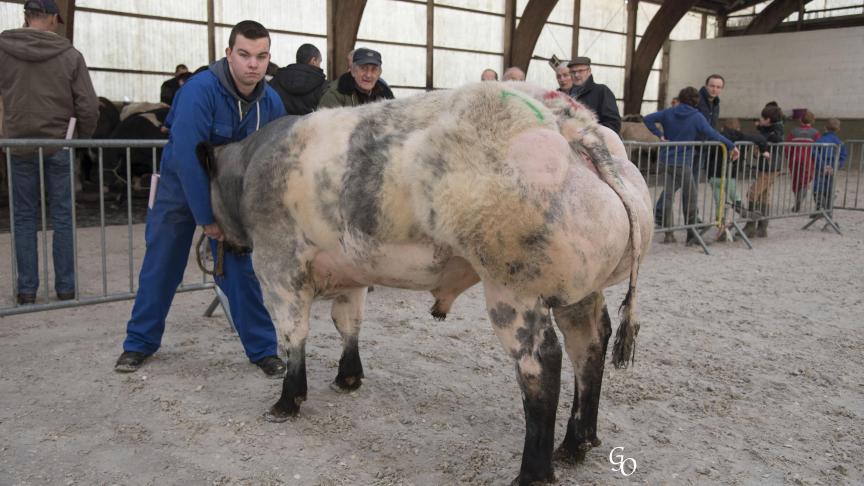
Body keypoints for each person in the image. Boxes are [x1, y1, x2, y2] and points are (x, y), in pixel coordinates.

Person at [115, 20, 287, 376]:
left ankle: (263, 350)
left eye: (261, 56)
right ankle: (139, 344)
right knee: (162, 265)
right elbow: (188, 157)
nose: (253, 64)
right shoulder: (200, 91)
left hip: (230, 192)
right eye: (244, 55)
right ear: (228, 54)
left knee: (240, 269)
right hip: (181, 187)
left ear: (269, 58)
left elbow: (276, 158)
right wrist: (208, 218)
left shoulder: (270, 102)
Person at [0, 0, 99, 305]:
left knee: (24, 217)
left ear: (25, 17)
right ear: (56, 18)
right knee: (63, 216)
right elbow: (88, 105)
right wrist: (81, 138)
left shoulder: (3, 49)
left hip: (18, 144)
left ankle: (27, 290)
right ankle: (66, 288)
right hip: (59, 143)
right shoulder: (70, 55)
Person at [642, 86, 738, 246]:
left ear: (680, 98)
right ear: (696, 101)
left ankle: (669, 234)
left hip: (665, 159)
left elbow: (647, 119)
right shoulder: (697, 117)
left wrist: (659, 135)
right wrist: (730, 145)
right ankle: (691, 234)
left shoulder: (668, 112)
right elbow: (713, 134)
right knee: (691, 197)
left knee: (668, 195)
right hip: (683, 162)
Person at [655, 74, 724, 225]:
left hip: (702, 149)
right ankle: (665, 214)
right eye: (712, 86)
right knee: (681, 185)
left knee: (689, 184)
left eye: (718, 87)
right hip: (688, 149)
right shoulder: (696, 101)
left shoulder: (716, 103)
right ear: (706, 85)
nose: (715, 89)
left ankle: (665, 214)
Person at [744, 104, 785, 238]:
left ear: (768, 119)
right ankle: (762, 227)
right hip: (766, 166)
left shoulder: (776, 130)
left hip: (771, 167)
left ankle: (750, 226)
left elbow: (776, 139)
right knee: (763, 195)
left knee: (752, 193)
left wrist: (762, 136)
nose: (760, 119)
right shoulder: (767, 129)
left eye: (763, 118)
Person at [319, 47, 394, 108]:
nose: (368, 75)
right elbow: (323, 124)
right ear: (352, 71)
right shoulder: (334, 95)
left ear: (379, 73)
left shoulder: (385, 94)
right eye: (363, 68)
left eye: (374, 69)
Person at [269, 43, 327, 115]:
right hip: (309, 125)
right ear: (313, 61)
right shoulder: (324, 86)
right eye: (319, 62)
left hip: (277, 125)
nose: (319, 66)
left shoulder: (275, 81)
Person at [567, 57, 621, 133]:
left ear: (589, 71)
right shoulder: (567, 96)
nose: (576, 75)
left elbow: (613, 123)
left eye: (580, 71)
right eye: (573, 72)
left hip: (596, 141)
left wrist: (589, 131)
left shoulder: (602, 91)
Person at [786, 110, 821, 212]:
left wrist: (789, 157)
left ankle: (797, 199)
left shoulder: (794, 131)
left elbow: (788, 146)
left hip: (795, 158)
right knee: (805, 180)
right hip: (808, 159)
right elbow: (818, 148)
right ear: (813, 120)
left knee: (795, 180)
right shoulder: (815, 133)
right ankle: (800, 199)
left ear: (800, 120)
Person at [812, 118, 847, 213]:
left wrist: (823, 165)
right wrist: (836, 166)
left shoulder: (820, 140)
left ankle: (819, 208)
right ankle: (828, 208)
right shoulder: (839, 142)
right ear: (838, 129)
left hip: (821, 167)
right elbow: (843, 156)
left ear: (825, 127)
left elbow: (814, 152)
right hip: (832, 168)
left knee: (818, 186)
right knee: (830, 187)